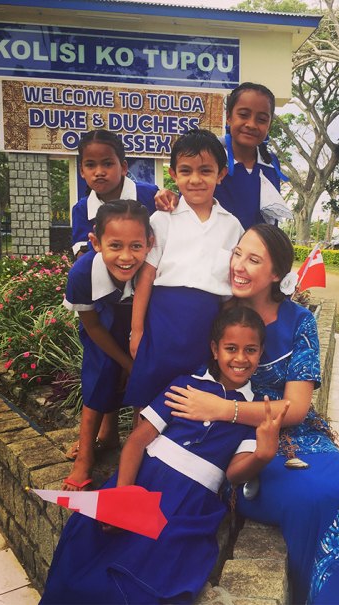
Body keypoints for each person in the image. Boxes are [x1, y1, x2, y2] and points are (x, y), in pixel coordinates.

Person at [165, 224, 339, 605]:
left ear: (276, 275)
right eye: (237, 253)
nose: (238, 265)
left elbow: (296, 408)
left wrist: (225, 408)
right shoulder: (215, 312)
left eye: (253, 259)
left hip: (302, 438)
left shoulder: (299, 321)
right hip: (237, 446)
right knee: (320, 499)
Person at [40, 306, 289, 605]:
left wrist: (264, 452)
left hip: (187, 504)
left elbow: (234, 474)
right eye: (231, 348)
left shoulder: (255, 414)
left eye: (250, 350)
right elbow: (135, 441)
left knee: (142, 577)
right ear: (214, 348)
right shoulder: (185, 385)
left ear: (261, 352)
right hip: (140, 483)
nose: (240, 358)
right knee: (82, 541)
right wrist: (122, 499)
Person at [124, 129, 244, 410]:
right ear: (174, 174)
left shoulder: (232, 226)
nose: (195, 179)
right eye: (186, 171)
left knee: (191, 398)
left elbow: (232, 290)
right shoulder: (163, 219)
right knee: (149, 395)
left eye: (205, 171)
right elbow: (147, 276)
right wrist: (137, 330)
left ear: (221, 174)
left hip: (205, 328)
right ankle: (140, 452)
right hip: (162, 322)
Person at [62, 199, 154, 491]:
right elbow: (93, 328)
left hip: (142, 329)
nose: (126, 257)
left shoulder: (152, 270)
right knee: (100, 373)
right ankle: (85, 457)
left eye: (136, 246)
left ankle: (138, 454)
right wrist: (125, 363)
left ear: (149, 243)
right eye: (115, 245)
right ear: (96, 242)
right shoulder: (82, 274)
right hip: (101, 330)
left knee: (145, 380)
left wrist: (135, 365)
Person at [155, 82, 291, 229]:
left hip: (256, 250)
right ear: (229, 117)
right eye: (243, 115)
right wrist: (169, 196)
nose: (251, 124)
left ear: (269, 125)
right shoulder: (211, 156)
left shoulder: (271, 163)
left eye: (262, 119)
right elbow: (190, 190)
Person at [71, 129, 158, 259]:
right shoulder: (82, 209)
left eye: (107, 164)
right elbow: (82, 256)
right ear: (82, 171)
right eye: (90, 165)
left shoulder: (151, 195)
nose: (99, 172)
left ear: (123, 167)